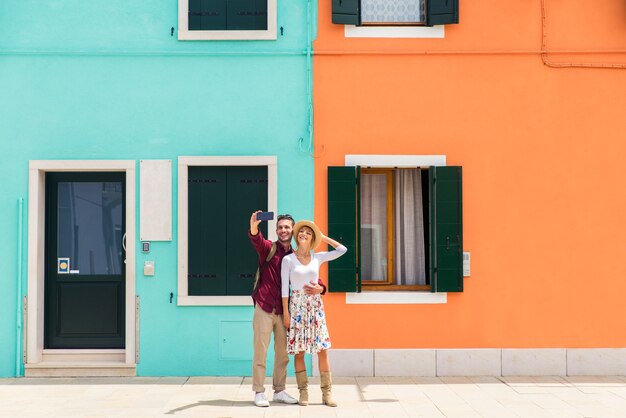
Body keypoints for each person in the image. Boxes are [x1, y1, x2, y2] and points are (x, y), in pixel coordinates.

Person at [248, 211, 326, 407]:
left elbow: (311, 275)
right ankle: (259, 391)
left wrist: (321, 288)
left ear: (292, 231)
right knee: (261, 351)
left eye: (287, 227)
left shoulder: (296, 256)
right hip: (264, 306)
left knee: (283, 353)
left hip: (286, 311)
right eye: (280, 227)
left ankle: (279, 390)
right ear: (276, 230)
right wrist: (254, 225)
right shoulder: (269, 249)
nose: (283, 230)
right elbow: (256, 239)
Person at [281, 220, 347, 407]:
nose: (303, 234)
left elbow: (342, 250)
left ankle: (327, 394)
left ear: (312, 238)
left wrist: (321, 236)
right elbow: (284, 290)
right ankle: (303, 393)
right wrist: (286, 314)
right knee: (299, 352)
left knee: (323, 350)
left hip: (315, 308)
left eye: (308, 233)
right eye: (300, 231)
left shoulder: (318, 257)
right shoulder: (288, 260)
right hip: (297, 308)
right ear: (296, 236)